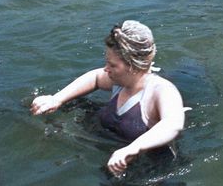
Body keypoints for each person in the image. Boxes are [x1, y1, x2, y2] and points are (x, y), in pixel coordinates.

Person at [31, 21, 185, 178]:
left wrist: (133, 149)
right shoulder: (120, 81)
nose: (106, 68)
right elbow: (96, 77)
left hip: (150, 167)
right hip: (114, 152)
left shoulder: (161, 91)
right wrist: (56, 99)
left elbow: (173, 124)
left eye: (112, 65)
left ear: (132, 66)